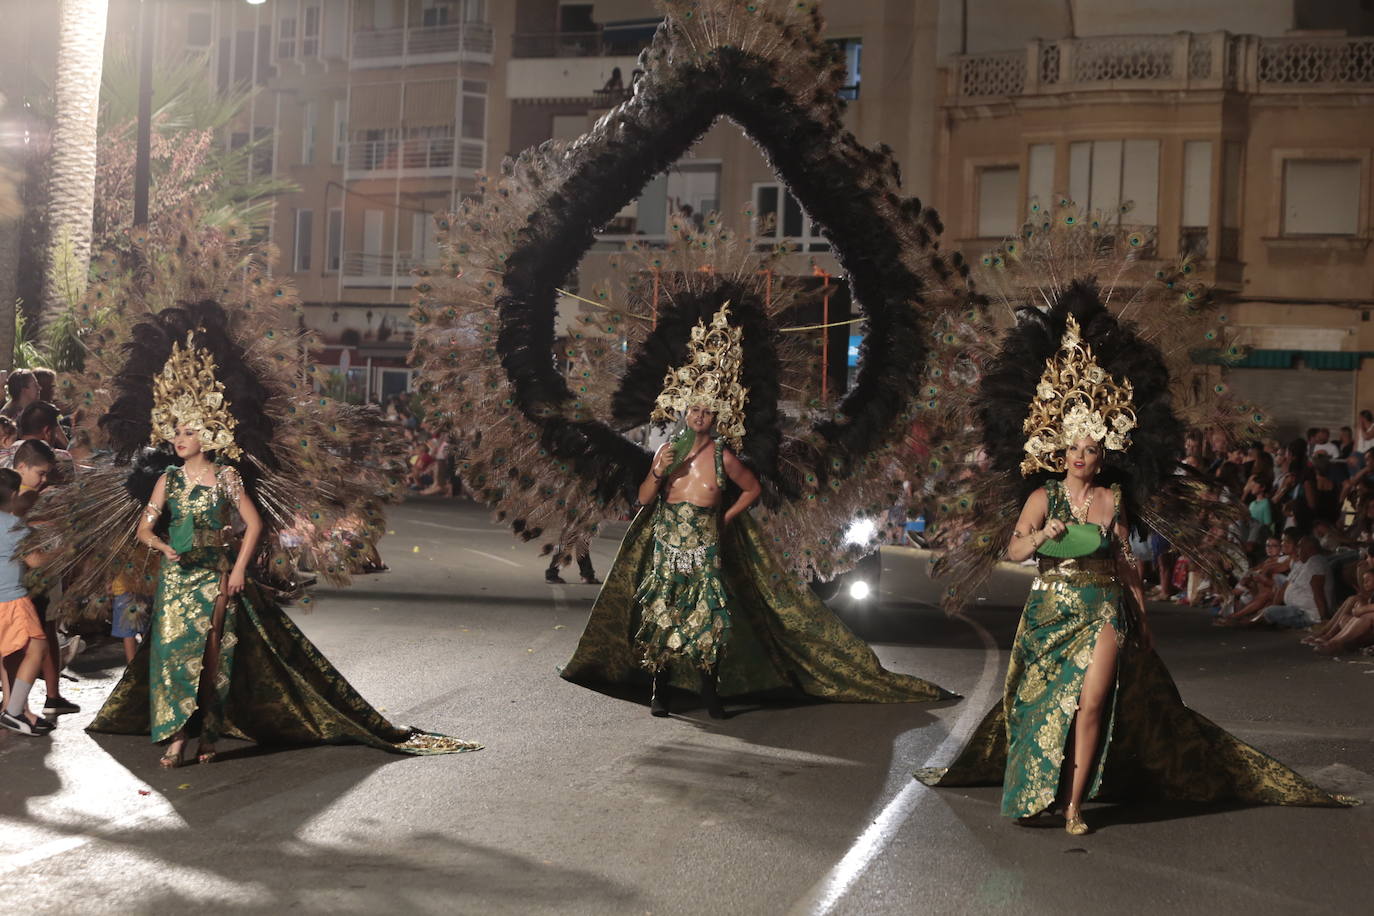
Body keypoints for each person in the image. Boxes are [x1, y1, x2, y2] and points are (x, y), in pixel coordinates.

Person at [917, 283, 1356, 833]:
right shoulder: (1040, 497)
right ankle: (1041, 791)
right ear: (1061, 448)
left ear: (1103, 453)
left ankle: (1075, 805)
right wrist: (1042, 534)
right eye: (1074, 447)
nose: (1081, 456)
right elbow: (1014, 549)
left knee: (1093, 704)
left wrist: (1142, 620)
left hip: (1102, 608)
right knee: (1045, 708)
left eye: (1092, 448)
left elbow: (1127, 564)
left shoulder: (1114, 499)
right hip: (1049, 614)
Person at [42, 302, 482, 764]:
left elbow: (252, 524)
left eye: (189, 430)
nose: (179, 436)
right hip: (177, 578)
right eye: (176, 430)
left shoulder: (228, 479)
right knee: (171, 655)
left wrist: (237, 569)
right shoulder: (166, 480)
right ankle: (176, 734)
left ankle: (207, 733)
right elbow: (143, 527)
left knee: (212, 657)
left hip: (215, 574)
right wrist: (159, 543)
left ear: (208, 434)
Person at [561, 303, 955, 717]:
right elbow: (642, 500)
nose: (699, 416)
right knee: (663, 614)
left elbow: (750, 491)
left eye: (708, 410)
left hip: (706, 546)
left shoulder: (722, 457)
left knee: (707, 619)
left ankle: (710, 693)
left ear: (717, 415)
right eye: (694, 408)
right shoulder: (666, 452)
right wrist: (657, 474)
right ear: (684, 409)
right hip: (666, 544)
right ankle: (660, 689)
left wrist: (726, 519)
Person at [0, 468, 53, 736]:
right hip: (13, 601)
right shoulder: (14, 526)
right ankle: (13, 710)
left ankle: (14, 708)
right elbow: (35, 561)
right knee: (38, 648)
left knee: (9, 655)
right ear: (12, 495)